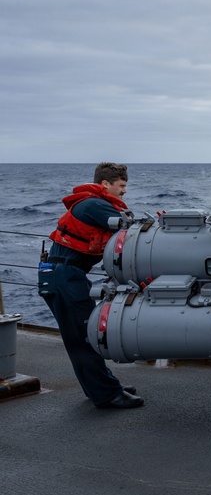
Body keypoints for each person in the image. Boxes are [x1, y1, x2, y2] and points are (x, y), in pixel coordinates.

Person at [38, 162, 144, 409]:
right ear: (105, 184)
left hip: (65, 274)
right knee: (84, 337)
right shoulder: (94, 205)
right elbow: (130, 229)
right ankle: (107, 395)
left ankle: (100, 386)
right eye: (121, 185)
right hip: (63, 276)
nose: (124, 191)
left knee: (83, 336)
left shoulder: (93, 204)